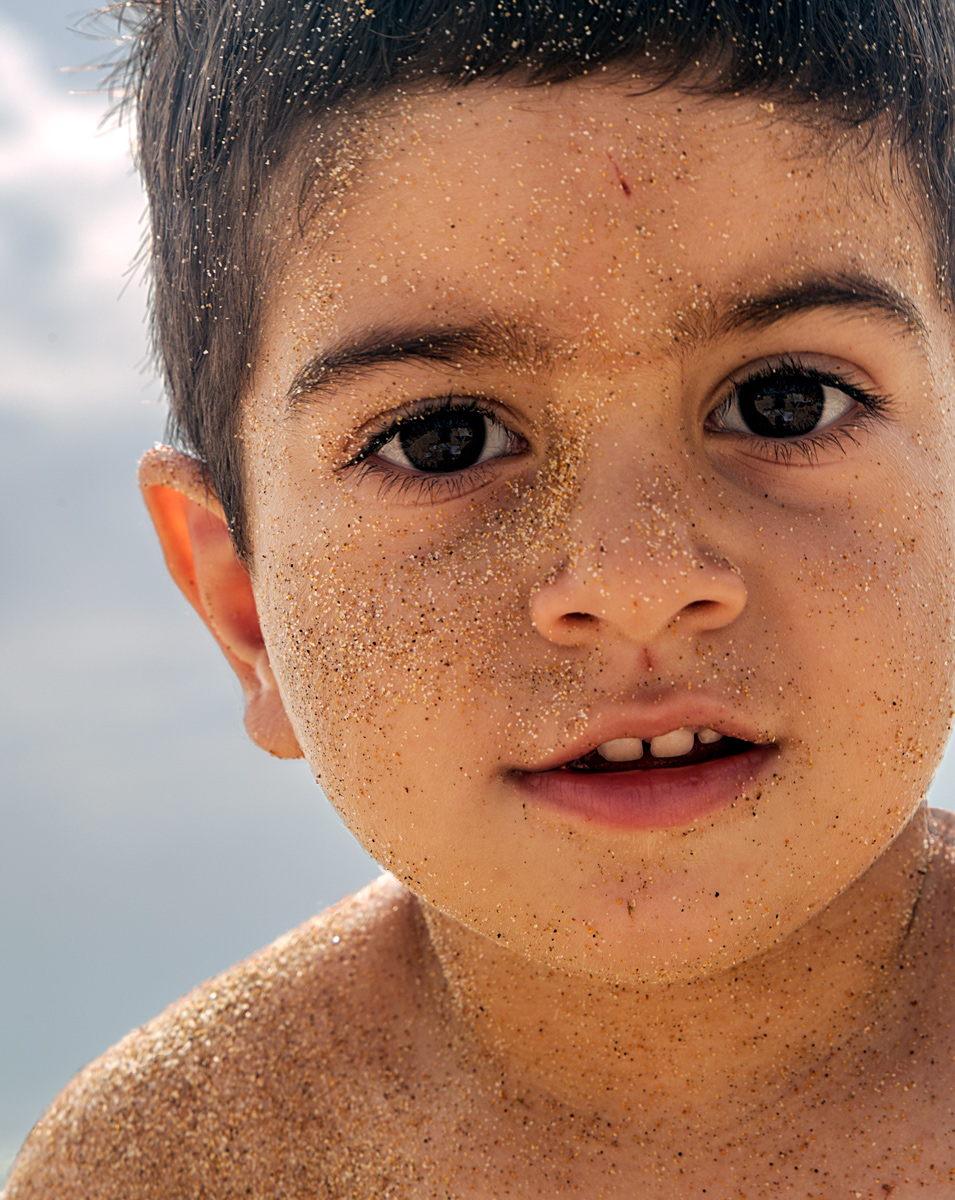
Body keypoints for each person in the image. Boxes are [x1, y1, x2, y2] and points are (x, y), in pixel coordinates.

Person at [6, 0, 955, 1194]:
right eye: (442, 438)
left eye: (787, 403)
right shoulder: (161, 1170)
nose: (636, 583)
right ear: (241, 602)